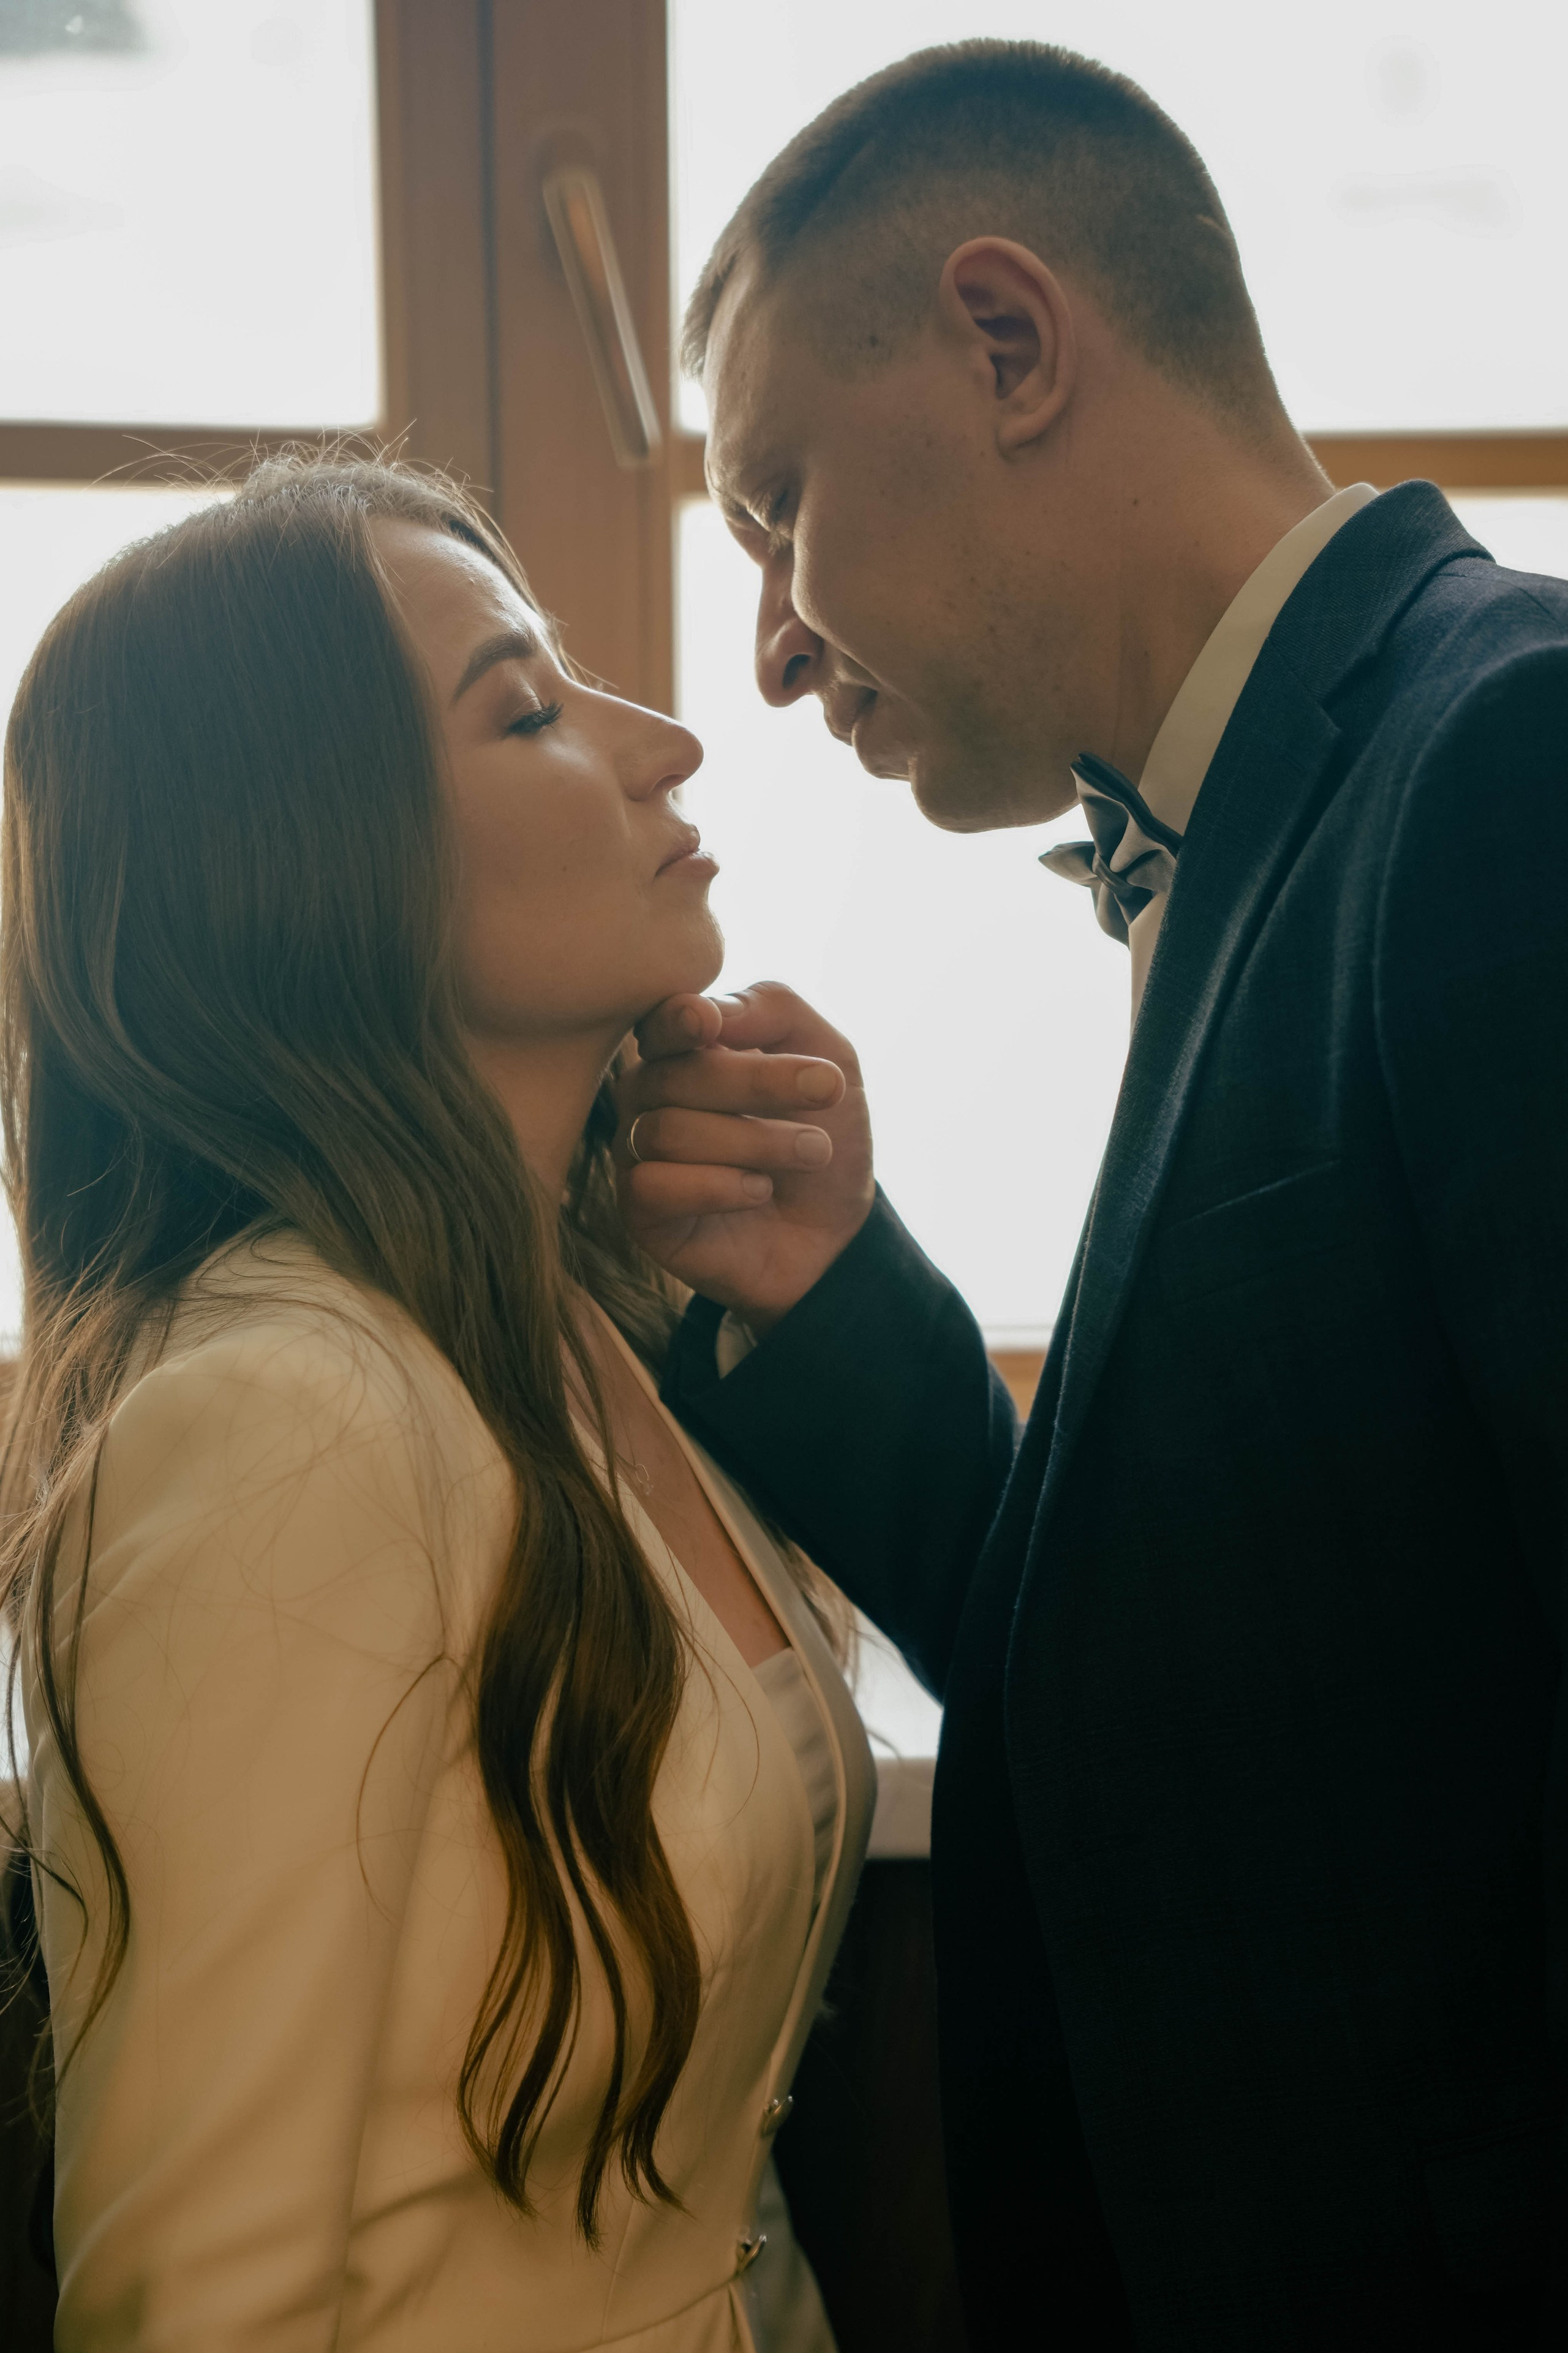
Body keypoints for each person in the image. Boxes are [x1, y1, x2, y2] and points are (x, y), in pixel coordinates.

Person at [612, 39, 1568, 2352]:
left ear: (1011, 342)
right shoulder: (1265, 839)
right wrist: (843, 1307)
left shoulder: (1508, 767)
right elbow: (1239, 1676)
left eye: (776, 502)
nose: (763, 647)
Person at [2, 453, 872, 2352]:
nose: (669, 747)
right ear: (312, 862)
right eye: (532, 705)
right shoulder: (280, 1425)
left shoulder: (595, 1332)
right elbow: (199, 2305)